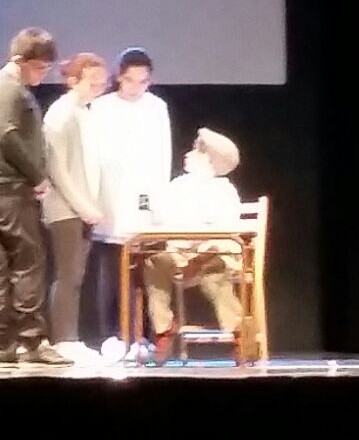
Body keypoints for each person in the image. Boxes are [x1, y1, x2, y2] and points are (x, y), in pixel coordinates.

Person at [0, 28, 70, 366]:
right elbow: (7, 135)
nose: (42, 75)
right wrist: (37, 176)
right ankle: (32, 340)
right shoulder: (7, 88)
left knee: (2, 263)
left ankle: (0, 342)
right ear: (20, 60)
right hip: (7, 185)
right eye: (39, 67)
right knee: (30, 259)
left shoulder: (9, 87)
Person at [87, 48, 172, 357]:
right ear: (119, 77)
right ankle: (111, 335)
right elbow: (93, 156)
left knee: (146, 272)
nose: (136, 87)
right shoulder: (101, 107)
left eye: (143, 81)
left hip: (145, 198)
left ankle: (143, 336)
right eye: (130, 80)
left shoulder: (156, 107)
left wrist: (158, 201)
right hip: (111, 197)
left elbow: (163, 155)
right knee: (111, 270)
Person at [142, 128, 247, 360]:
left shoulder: (223, 190)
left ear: (210, 160)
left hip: (213, 253)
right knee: (155, 262)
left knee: (214, 272)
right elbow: (159, 217)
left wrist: (203, 250)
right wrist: (146, 203)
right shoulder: (178, 186)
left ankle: (238, 331)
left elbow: (227, 228)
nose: (188, 154)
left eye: (196, 151)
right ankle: (164, 329)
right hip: (180, 254)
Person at [41, 52, 107, 364]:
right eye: (92, 82)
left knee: (76, 275)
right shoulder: (61, 114)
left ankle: (72, 337)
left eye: (102, 83)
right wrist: (83, 206)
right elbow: (57, 168)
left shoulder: (84, 113)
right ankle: (63, 339)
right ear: (72, 80)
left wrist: (93, 205)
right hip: (65, 208)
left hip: (82, 208)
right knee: (67, 274)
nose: (98, 88)